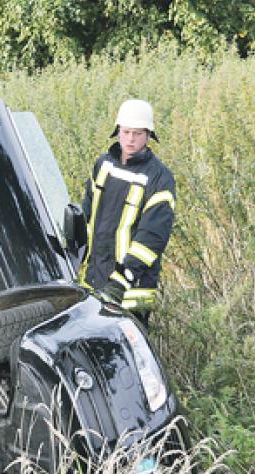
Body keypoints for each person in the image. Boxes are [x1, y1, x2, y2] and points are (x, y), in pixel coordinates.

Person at [78, 99, 176, 326]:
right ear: (117, 131)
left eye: (138, 133)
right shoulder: (103, 166)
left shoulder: (160, 178)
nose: (131, 139)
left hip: (131, 293)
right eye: (126, 132)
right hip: (93, 285)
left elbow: (151, 239)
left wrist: (121, 281)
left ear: (149, 134)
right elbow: (86, 217)